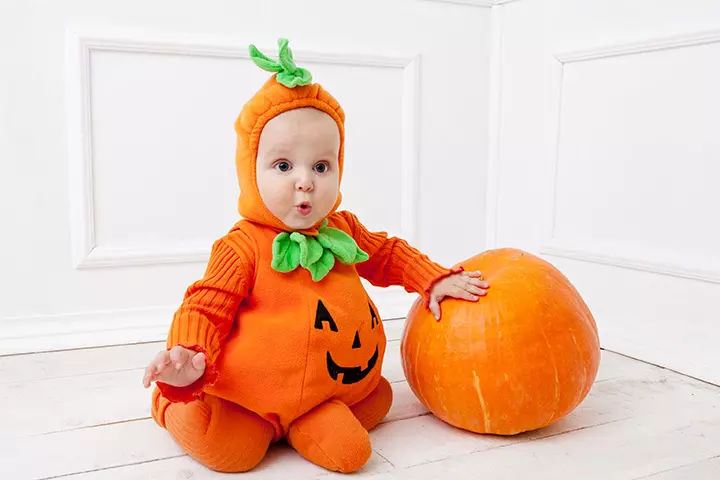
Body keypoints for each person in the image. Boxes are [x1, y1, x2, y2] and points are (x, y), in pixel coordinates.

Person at [142, 38, 489, 474]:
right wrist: (187, 356)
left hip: (324, 391)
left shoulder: (343, 229)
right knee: (233, 456)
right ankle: (172, 402)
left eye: (321, 166)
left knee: (355, 447)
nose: (304, 182)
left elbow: (388, 254)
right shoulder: (242, 245)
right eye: (283, 166)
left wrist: (433, 278)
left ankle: (303, 419)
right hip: (248, 395)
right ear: (251, 171)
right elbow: (205, 305)